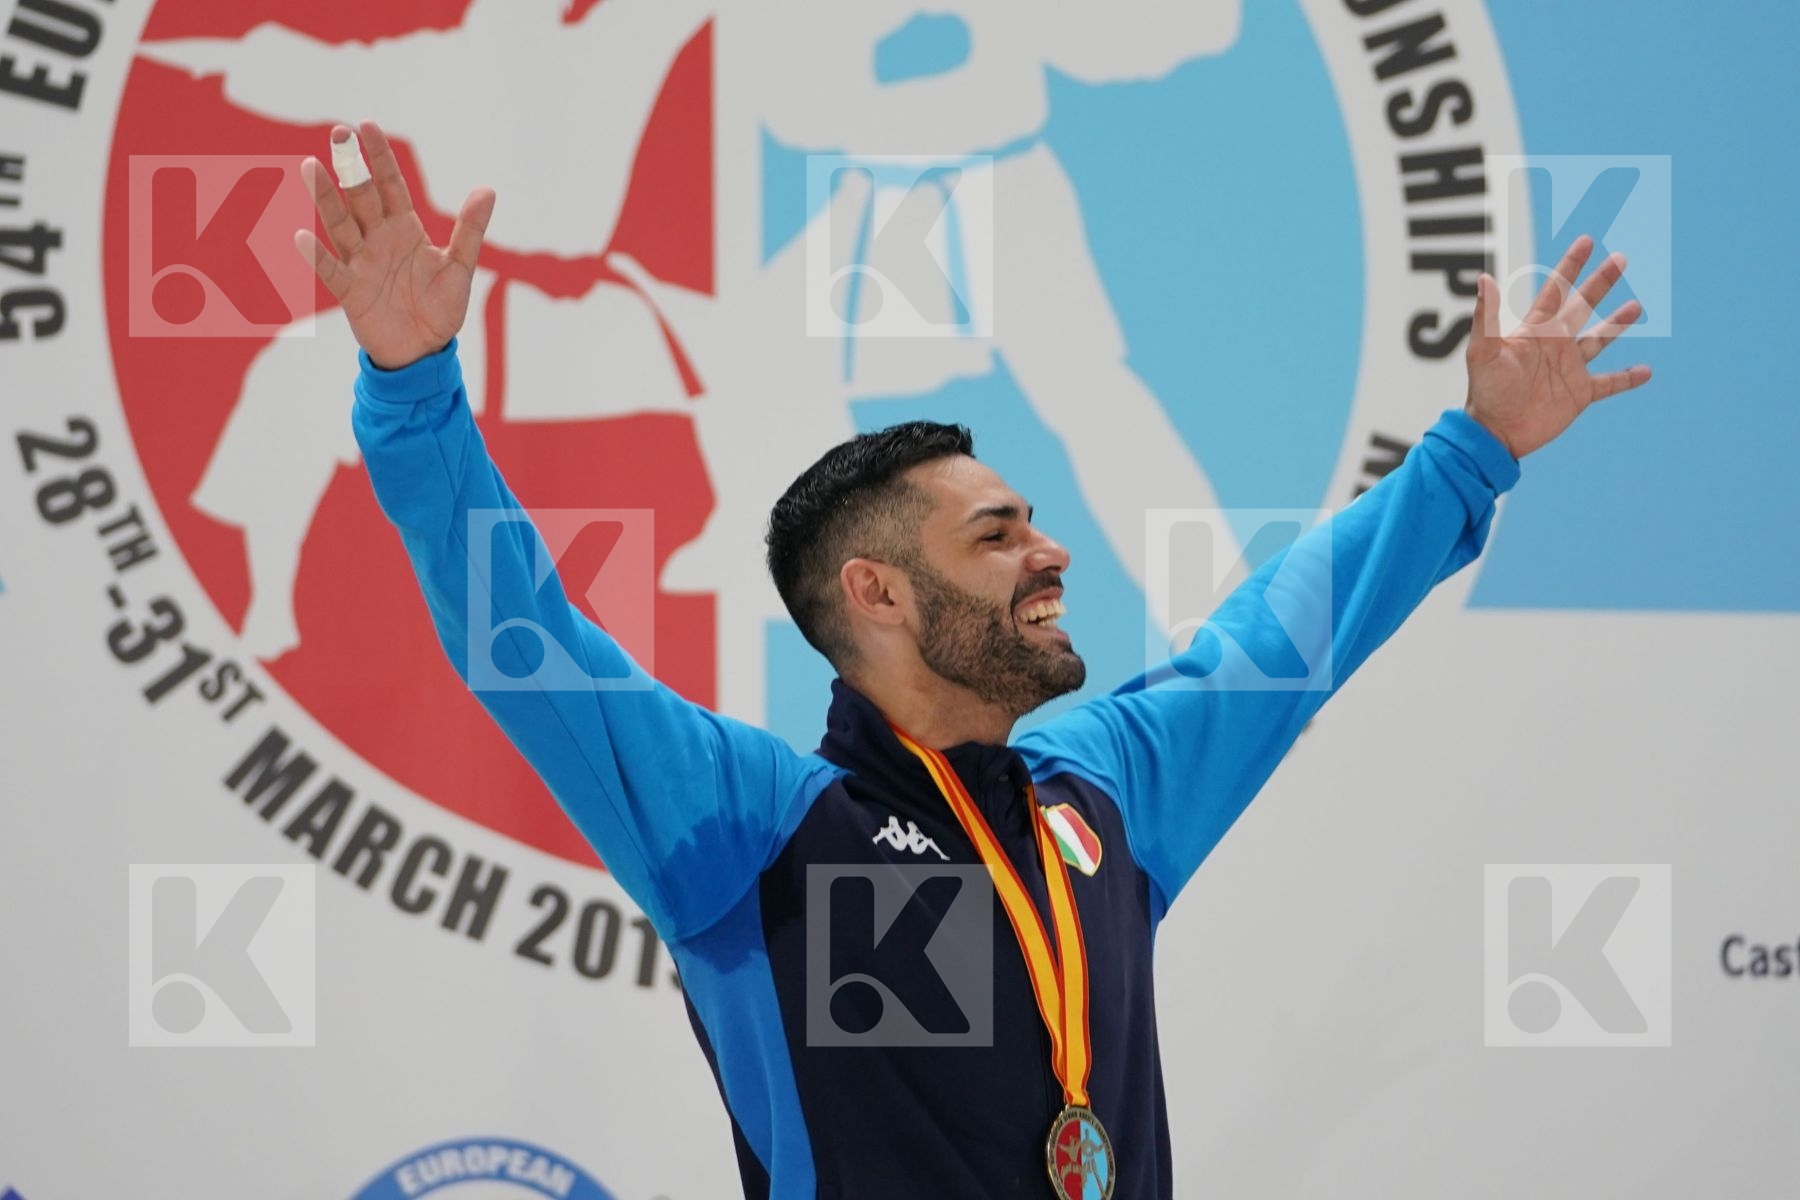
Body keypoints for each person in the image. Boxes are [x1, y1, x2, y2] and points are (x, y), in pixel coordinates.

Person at [296, 120, 1650, 1200]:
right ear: (875, 590)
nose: (1054, 554)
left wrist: (1473, 450)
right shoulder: (753, 826)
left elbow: (1291, 635)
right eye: (1001, 534)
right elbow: (522, 641)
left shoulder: (1103, 785)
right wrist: (413, 394)